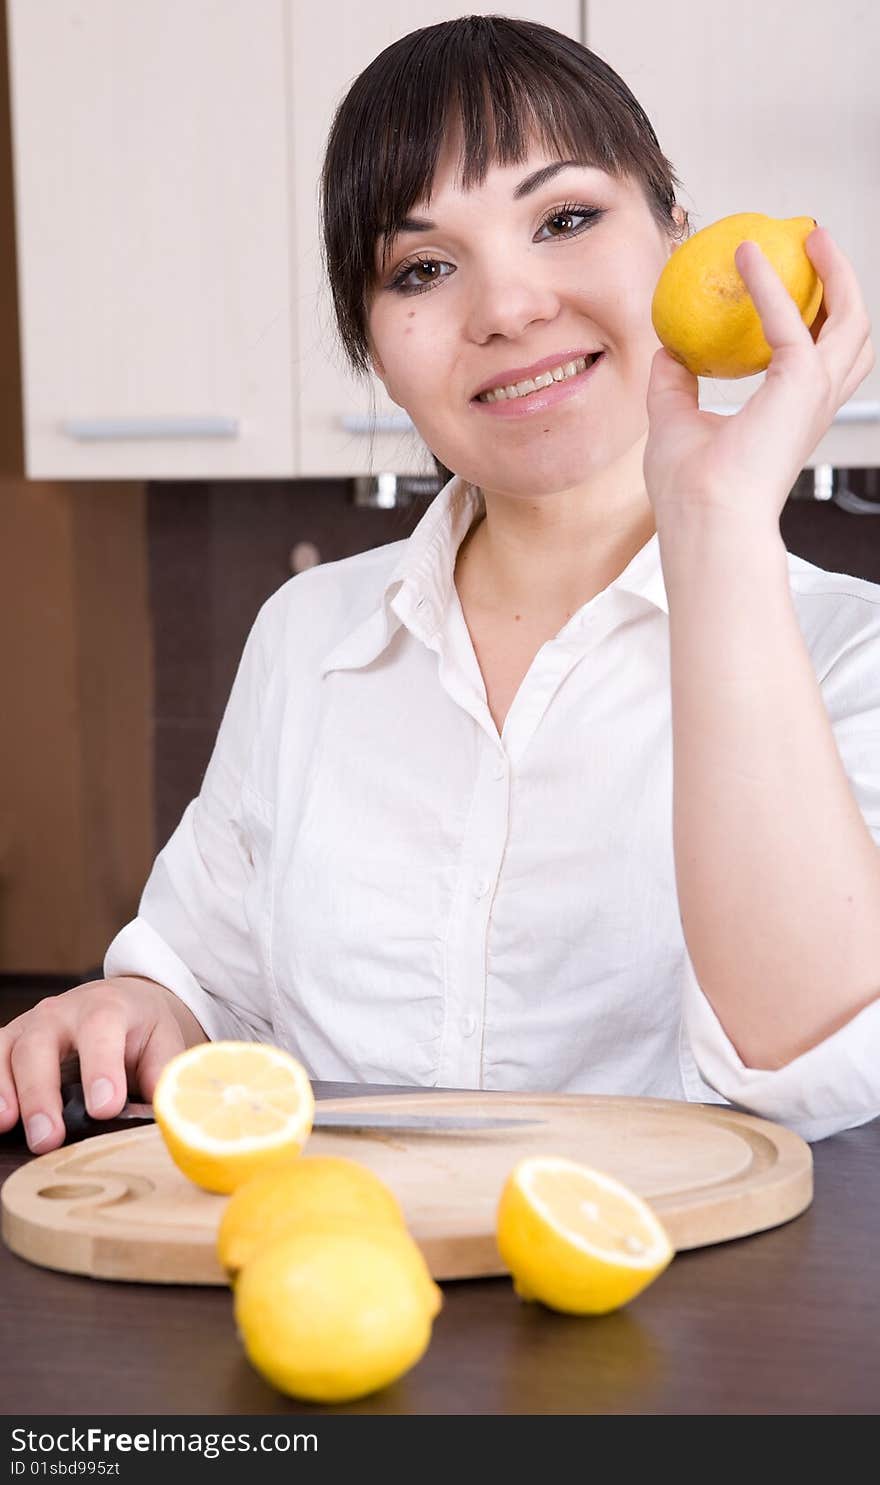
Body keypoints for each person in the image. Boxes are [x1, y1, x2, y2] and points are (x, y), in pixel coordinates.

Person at [2, 15, 879, 1156]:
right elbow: (210, 987)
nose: (506, 309)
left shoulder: (842, 651)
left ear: (676, 232)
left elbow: (810, 1066)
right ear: (371, 346)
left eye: (564, 219)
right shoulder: (307, 632)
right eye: (422, 268)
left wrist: (715, 522)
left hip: (689, 1322)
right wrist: (137, 1009)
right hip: (341, 1298)